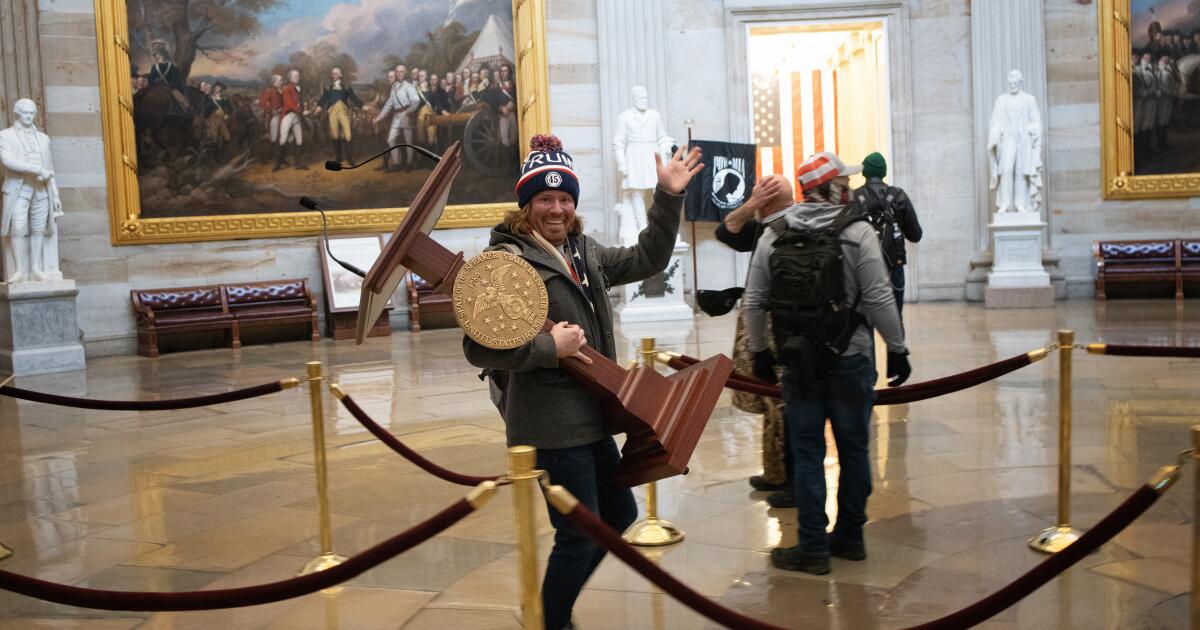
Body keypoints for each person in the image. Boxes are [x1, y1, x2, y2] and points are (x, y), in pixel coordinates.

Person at [463, 134, 703, 630]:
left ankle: (551, 607)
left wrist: (668, 197)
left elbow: (647, 259)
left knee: (615, 516)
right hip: (550, 423)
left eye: (565, 198)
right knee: (579, 532)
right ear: (526, 205)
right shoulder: (506, 264)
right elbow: (479, 349)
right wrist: (552, 348)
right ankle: (551, 620)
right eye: (545, 199)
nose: (557, 208)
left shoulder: (583, 250)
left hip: (592, 415)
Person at [743, 151, 910, 576]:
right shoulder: (858, 232)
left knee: (807, 451)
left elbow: (755, 301)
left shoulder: (773, 232)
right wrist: (898, 347)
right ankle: (851, 537)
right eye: (845, 182)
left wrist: (761, 353)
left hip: (798, 363)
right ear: (833, 188)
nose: (850, 188)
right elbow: (878, 297)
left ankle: (813, 545)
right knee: (855, 450)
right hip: (851, 358)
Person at [714, 174, 796, 506]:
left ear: (768, 201)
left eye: (758, 194)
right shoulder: (765, 227)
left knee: (782, 404)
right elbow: (726, 230)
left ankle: (793, 480)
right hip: (764, 326)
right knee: (771, 403)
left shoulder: (790, 227)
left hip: (781, 330)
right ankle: (776, 472)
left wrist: (754, 204)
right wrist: (753, 205)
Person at [0, 99, 63, 284]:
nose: (28, 116)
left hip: (41, 190)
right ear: (17, 114)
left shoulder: (43, 138)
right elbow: (8, 161)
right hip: (18, 190)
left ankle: (35, 268)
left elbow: (50, 168)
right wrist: (36, 170)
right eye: (25, 113)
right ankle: (19, 270)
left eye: (31, 113)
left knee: (39, 229)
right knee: (18, 228)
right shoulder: (5, 136)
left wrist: (56, 194)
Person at [851, 152, 923, 313]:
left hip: (863, 268)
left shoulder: (855, 197)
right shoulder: (899, 196)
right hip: (894, 266)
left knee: (863, 324)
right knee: (896, 323)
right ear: (884, 171)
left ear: (865, 172)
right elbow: (916, 235)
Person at [612, 86, 674, 244]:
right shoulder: (625, 117)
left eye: (645, 98)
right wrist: (622, 164)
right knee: (636, 192)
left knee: (657, 190)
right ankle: (641, 226)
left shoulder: (655, 116)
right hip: (634, 156)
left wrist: (667, 145)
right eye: (640, 98)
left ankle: (657, 223)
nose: (643, 101)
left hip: (652, 155)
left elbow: (663, 136)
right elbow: (618, 142)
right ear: (633, 99)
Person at [987, 70, 1042, 214]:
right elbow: (995, 122)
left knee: (1021, 173)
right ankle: (1005, 203)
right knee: (1006, 171)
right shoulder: (1001, 100)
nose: (1013, 85)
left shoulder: (1029, 100)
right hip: (1007, 140)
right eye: (1010, 83)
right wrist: (994, 134)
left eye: (1015, 83)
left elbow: (1036, 121)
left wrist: (1031, 130)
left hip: (1023, 139)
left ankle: (1020, 204)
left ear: (1020, 82)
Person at [314, 67, 364, 166]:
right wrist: (319, 107)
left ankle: (350, 159)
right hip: (332, 112)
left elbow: (354, 98)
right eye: (333, 74)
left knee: (348, 134)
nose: (334, 75)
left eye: (336, 74)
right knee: (335, 135)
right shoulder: (328, 87)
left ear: (341, 75)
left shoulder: (346, 87)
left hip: (343, 112)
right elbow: (324, 98)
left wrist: (363, 106)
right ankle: (338, 158)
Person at [374, 64, 419, 172]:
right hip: (397, 117)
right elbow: (389, 105)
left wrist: (408, 112)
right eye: (397, 72)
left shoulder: (409, 86)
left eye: (402, 71)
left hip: (407, 115)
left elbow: (416, 101)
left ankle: (409, 163)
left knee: (408, 141)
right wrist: (379, 118)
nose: (399, 74)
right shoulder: (394, 88)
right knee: (391, 140)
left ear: (405, 73)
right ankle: (397, 163)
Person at [275, 69, 307, 171]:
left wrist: (303, 111)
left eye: (298, 75)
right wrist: (301, 112)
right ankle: (278, 163)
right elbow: (290, 104)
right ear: (290, 78)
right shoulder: (286, 88)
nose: (298, 77)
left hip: (297, 117)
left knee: (299, 140)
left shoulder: (299, 88)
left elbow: (300, 102)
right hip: (288, 116)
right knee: (283, 139)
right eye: (295, 76)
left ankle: (298, 164)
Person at [258, 74, 284, 146]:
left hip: (284, 113)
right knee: (275, 133)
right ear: (274, 82)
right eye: (280, 80)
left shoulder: (282, 91)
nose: (282, 82)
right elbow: (261, 103)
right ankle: (274, 144)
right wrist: (271, 110)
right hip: (275, 115)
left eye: (282, 80)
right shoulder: (269, 91)